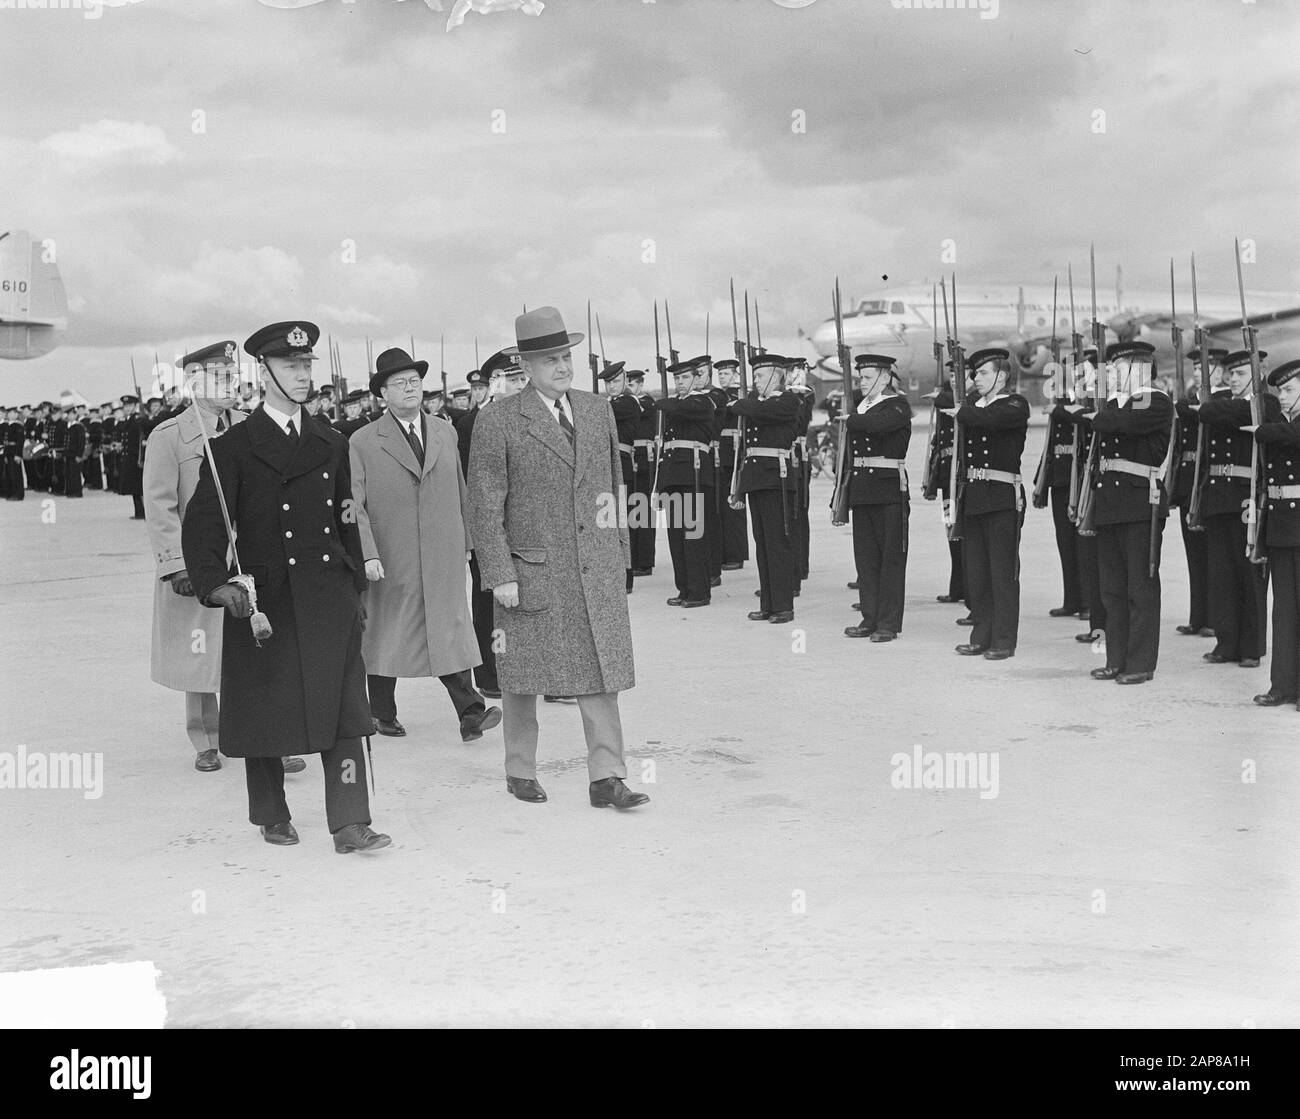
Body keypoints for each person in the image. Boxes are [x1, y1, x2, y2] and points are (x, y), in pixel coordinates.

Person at [182, 320, 391, 853]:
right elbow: (204, 527)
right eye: (292, 366)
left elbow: (347, 516)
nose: (303, 376)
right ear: (265, 371)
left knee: (345, 710)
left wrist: (354, 583)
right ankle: (271, 811)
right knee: (265, 707)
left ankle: (350, 823)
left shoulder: (332, 441)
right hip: (265, 600)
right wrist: (216, 585)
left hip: (327, 594)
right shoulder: (232, 448)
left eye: (307, 366)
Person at [467, 306, 647, 810]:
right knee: (523, 676)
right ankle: (520, 770)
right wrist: (498, 572)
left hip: (593, 565)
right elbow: (483, 505)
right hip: (531, 569)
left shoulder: (596, 409)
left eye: (566, 356)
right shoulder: (498, 420)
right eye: (550, 360)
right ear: (526, 366)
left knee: (600, 670)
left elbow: (613, 483)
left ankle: (607, 777)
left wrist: (619, 553)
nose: (563, 367)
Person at [349, 346, 500, 743]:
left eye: (414, 381)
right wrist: (367, 552)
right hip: (392, 556)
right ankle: (382, 713)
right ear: (382, 394)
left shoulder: (445, 431)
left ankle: (471, 713)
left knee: (450, 630)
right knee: (387, 633)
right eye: (399, 383)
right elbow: (354, 504)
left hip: (443, 553)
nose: (410, 388)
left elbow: (460, 489)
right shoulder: (362, 441)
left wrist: (468, 541)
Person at [144, 341, 261, 773]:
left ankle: (268, 737)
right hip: (200, 560)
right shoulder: (169, 436)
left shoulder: (249, 428)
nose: (233, 384)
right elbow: (160, 505)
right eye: (221, 377)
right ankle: (207, 740)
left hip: (248, 558)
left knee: (254, 648)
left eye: (233, 375)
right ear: (194, 381)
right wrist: (176, 563)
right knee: (201, 654)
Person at [1085, 342, 1174, 685]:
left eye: (1117, 369)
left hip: (1140, 504)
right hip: (1110, 503)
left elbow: (1122, 424)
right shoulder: (1115, 404)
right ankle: (1116, 659)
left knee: (1141, 587)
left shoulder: (1156, 400)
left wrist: (1101, 417)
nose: (1111, 375)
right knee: (1112, 589)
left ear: (1139, 368)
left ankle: (1140, 663)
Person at [943, 347, 1029, 660]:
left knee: (1002, 574)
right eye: (974, 373)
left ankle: (1004, 639)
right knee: (977, 573)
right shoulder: (973, 405)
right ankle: (981, 635)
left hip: (1002, 495)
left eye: (982, 373)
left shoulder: (1015, 404)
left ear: (1001, 376)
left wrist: (963, 409)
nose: (974, 378)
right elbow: (951, 404)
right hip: (976, 497)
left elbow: (993, 419)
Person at [1195, 349, 1280, 667]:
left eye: (1241, 374)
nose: (1233, 379)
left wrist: (1222, 409)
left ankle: (1251, 647)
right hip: (1219, 497)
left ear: (1257, 375)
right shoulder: (1221, 403)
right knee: (1221, 573)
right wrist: (1218, 408)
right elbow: (1207, 413)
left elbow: (1243, 413)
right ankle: (1226, 642)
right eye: (1230, 374)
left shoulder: (1266, 403)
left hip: (1248, 496)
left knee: (1250, 573)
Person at [842, 354, 913, 642]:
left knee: (891, 560)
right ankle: (870, 617)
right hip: (863, 489)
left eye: (868, 377)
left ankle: (888, 622)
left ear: (885, 378)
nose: (863, 382)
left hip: (888, 490)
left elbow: (879, 425)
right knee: (866, 560)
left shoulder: (897, 405)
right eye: (861, 377)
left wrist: (852, 419)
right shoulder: (860, 407)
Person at [729, 352, 801, 623]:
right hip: (758, 477)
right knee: (763, 543)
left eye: (760, 375)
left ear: (776, 375)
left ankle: (783, 606)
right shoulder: (756, 402)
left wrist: (740, 403)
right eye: (755, 376)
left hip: (777, 478)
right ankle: (768, 603)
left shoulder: (788, 400)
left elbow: (759, 411)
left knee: (778, 543)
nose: (756, 381)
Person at [1247, 358, 1300, 707]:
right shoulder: (1280, 422)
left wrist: (1260, 430)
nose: (1282, 396)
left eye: (1290, 390)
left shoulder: (1285, 429)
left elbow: (1289, 436)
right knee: (1284, 610)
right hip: (1282, 525)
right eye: (1280, 390)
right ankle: (1282, 685)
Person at [655, 355, 718, 608]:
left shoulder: (702, 401)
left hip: (693, 474)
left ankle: (699, 591)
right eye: (677, 378)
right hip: (673, 475)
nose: (680, 382)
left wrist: (662, 402)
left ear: (697, 378)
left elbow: (681, 408)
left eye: (685, 378)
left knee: (694, 537)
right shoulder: (675, 404)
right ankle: (684, 588)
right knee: (677, 538)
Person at [1172, 347, 1226, 638]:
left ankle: (1215, 618)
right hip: (1188, 485)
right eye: (1194, 368)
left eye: (1201, 368)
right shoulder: (1191, 401)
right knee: (1194, 555)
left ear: (1218, 371)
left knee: (1212, 556)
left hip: (1208, 483)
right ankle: (1198, 615)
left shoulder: (1224, 400)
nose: (1195, 373)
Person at [921, 363, 967, 608]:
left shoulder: (968, 399)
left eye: (956, 373)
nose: (953, 378)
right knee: (951, 530)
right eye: (949, 374)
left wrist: (940, 396)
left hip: (961, 477)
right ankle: (957, 586)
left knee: (964, 533)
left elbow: (957, 402)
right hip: (947, 476)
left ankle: (967, 586)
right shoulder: (948, 398)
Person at [602, 359, 641, 594]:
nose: (611, 387)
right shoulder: (608, 403)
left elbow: (602, 414)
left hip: (622, 464)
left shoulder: (628, 403)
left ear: (625, 381)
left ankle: (626, 577)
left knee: (623, 523)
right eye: (608, 383)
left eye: (615, 381)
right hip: (606, 465)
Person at [714, 359, 749, 570]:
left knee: (734, 505)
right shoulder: (721, 396)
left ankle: (736, 554)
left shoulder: (741, 395)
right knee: (723, 506)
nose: (722, 378)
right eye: (720, 374)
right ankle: (726, 552)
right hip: (724, 454)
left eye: (726, 374)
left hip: (737, 453)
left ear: (736, 375)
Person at [627, 369, 658, 576]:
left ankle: (645, 560)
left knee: (644, 511)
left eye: (631, 385)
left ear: (639, 385)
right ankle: (634, 558)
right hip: (631, 456)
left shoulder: (646, 402)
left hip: (644, 458)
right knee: (631, 511)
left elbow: (638, 410)